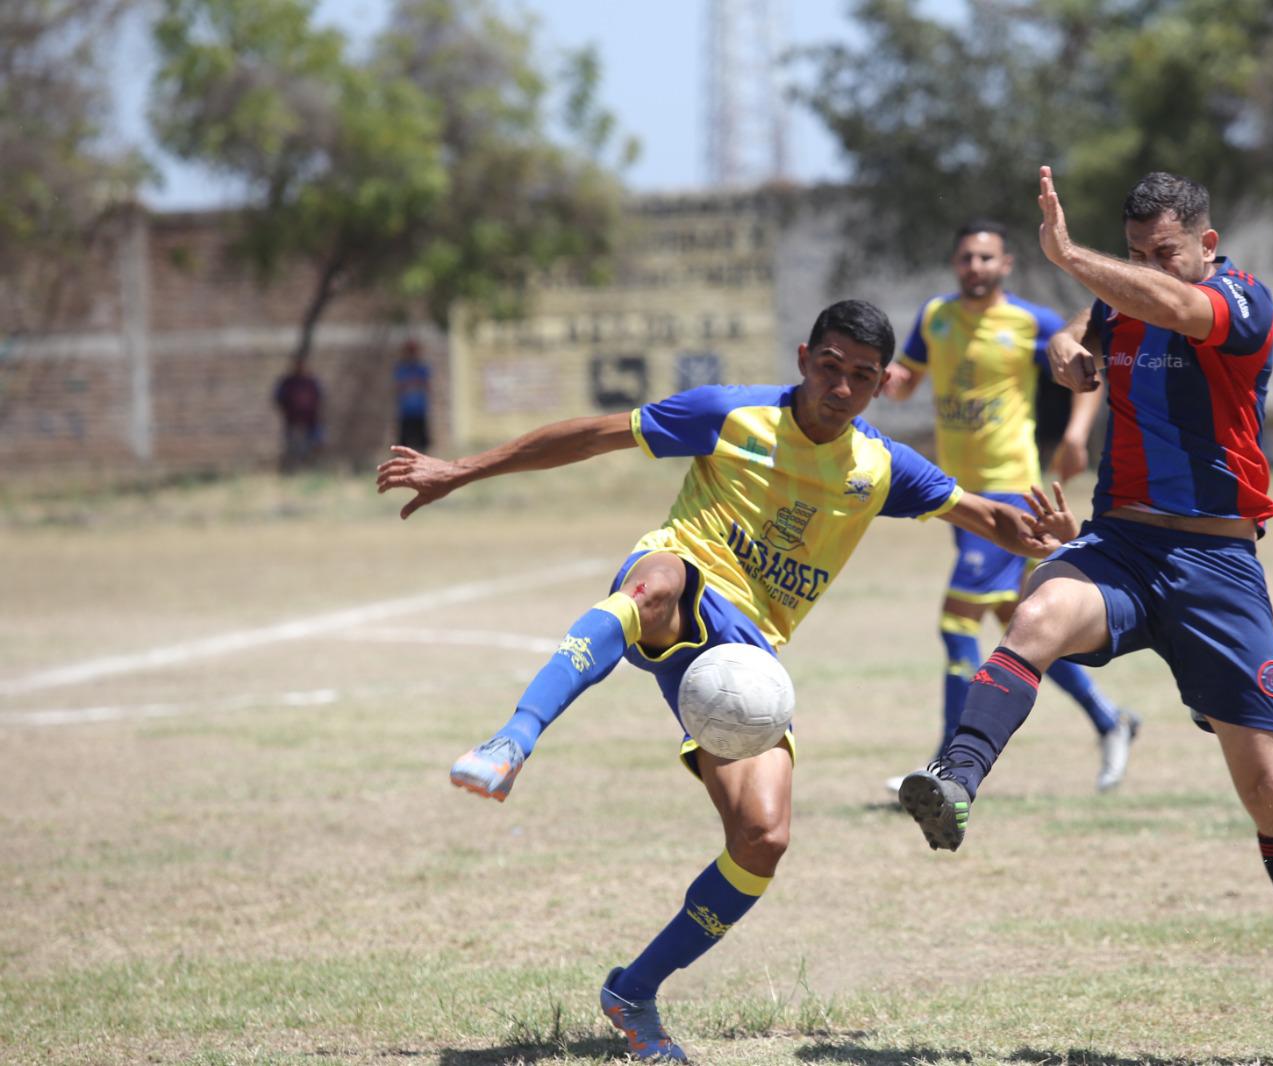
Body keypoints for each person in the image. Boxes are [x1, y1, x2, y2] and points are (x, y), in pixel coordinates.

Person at [376, 299, 1075, 1063]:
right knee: (652, 586)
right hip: (686, 579)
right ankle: (512, 740)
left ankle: (632, 992)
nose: (839, 387)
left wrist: (1043, 536)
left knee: (763, 837)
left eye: (860, 377)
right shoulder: (727, 415)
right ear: (805, 356)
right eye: (830, 367)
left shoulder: (878, 469)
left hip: (745, 666)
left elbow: (980, 514)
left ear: (879, 387)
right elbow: (592, 434)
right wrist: (463, 469)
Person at [896, 169, 1273, 1063]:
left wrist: (1071, 259)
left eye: (1168, 252)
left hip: (1216, 565)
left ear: (1207, 244)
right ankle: (953, 783)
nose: (1155, 267)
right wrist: (1067, 351)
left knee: (1269, 788)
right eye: (1141, 252)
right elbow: (1087, 332)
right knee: (1032, 617)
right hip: (1119, 546)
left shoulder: (1242, 301)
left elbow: (1174, 311)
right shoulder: (1122, 303)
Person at [880, 219, 1139, 794]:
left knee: (956, 620)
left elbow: (1085, 368)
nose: (976, 267)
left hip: (1007, 491)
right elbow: (907, 381)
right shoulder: (934, 318)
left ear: (1007, 264)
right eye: (966, 257)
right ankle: (1110, 719)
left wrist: (1076, 436)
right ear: (955, 263)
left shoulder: (1030, 321)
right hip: (954, 493)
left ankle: (947, 764)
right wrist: (886, 378)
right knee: (1019, 626)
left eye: (986, 257)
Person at [273, 356, 323, 472]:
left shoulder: (312, 382)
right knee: (293, 446)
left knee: (313, 445)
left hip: (311, 420)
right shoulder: (288, 383)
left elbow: (321, 397)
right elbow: (278, 397)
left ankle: (310, 468)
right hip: (293, 420)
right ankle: (292, 469)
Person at [394, 339, 432, 452]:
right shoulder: (401, 368)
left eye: (413, 351)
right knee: (403, 444)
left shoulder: (422, 368)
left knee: (422, 444)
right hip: (406, 412)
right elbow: (400, 386)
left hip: (419, 411)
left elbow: (426, 385)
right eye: (409, 351)